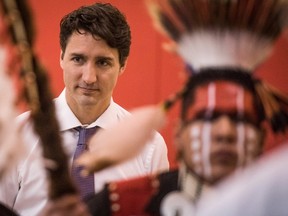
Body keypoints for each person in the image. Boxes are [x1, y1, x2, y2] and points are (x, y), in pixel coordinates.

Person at [76, 0, 288, 215]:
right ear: (179, 136)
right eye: (207, 117)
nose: (225, 132)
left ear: (262, 137)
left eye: (240, 119)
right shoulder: (121, 205)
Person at [0, 2, 169, 216]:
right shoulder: (15, 137)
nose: (89, 77)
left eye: (103, 62)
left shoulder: (150, 147)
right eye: (78, 59)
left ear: (123, 65)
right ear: (61, 57)